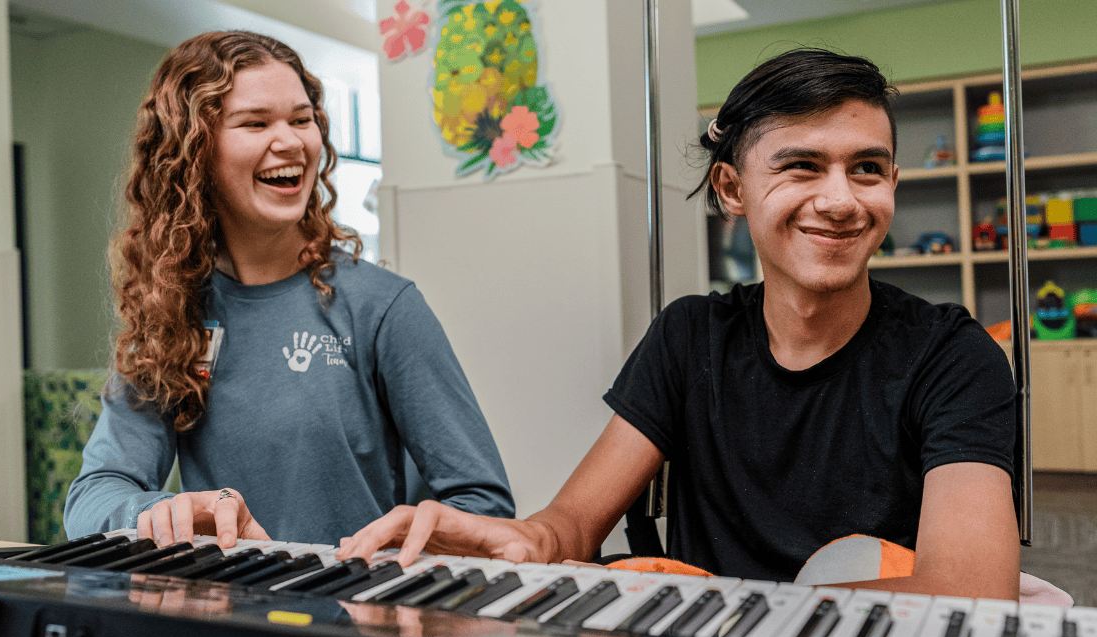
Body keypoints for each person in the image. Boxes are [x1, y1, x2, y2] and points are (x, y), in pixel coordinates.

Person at [339, 48, 1021, 601]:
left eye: (866, 169)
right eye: (802, 166)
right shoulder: (689, 338)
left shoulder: (953, 356)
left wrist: (725, 604)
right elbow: (571, 525)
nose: (840, 200)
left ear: (892, 184)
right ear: (731, 189)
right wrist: (523, 542)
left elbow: (971, 594)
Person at [64, 31, 514, 548]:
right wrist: (159, 511)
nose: (292, 141)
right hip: (226, 612)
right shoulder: (174, 312)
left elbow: (486, 510)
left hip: (357, 616)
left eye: (302, 120)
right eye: (255, 123)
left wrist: (396, 555)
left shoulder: (382, 307)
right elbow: (92, 499)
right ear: (193, 153)